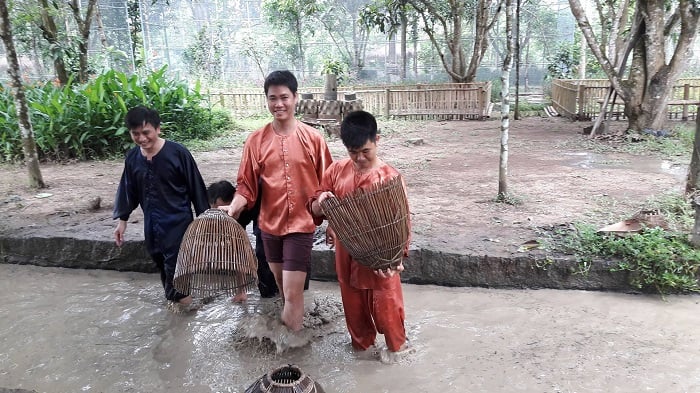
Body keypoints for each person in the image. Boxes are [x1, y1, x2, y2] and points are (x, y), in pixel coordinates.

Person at [223, 70, 332, 332]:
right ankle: (293, 336)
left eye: (284, 97)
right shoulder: (256, 140)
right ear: (267, 100)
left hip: (301, 226)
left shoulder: (314, 139)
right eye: (273, 98)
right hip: (269, 227)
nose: (278, 104)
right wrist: (232, 208)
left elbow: (328, 185)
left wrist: (333, 224)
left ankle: (291, 353)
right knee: (284, 291)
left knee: (293, 295)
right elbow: (246, 186)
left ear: (295, 98)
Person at [308, 110, 413, 363]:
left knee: (389, 312)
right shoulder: (336, 171)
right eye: (352, 152)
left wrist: (398, 259)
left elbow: (404, 224)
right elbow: (314, 206)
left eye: (365, 151)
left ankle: (397, 353)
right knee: (354, 312)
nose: (359, 158)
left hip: (382, 258)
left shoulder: (391, 178)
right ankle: (362, 354)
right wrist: (321, 202)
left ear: (377, 140)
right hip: (347, 254)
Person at [113, 106, 210, 310]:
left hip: (179, 224)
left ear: (158, 129)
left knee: (177, 271)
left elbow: (197, 188)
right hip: (152, 225)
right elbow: (127, 190)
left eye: (146, 132)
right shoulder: (132, 158)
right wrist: (122, 221)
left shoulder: (178, 153)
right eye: (135, 134)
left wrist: (205, 222)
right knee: (162, 266)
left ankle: (182, 318)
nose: (141, 138)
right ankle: (177, 307)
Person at [207, 180, 279, 299]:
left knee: (264, 251)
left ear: (234, 201)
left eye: (226, 210)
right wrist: (241, 291)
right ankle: (269, 296)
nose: (224, 215)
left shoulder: (252, 197)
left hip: (269, 210)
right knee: (265, 286)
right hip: (252, 214)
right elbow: (237, 252)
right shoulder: (229, 215)